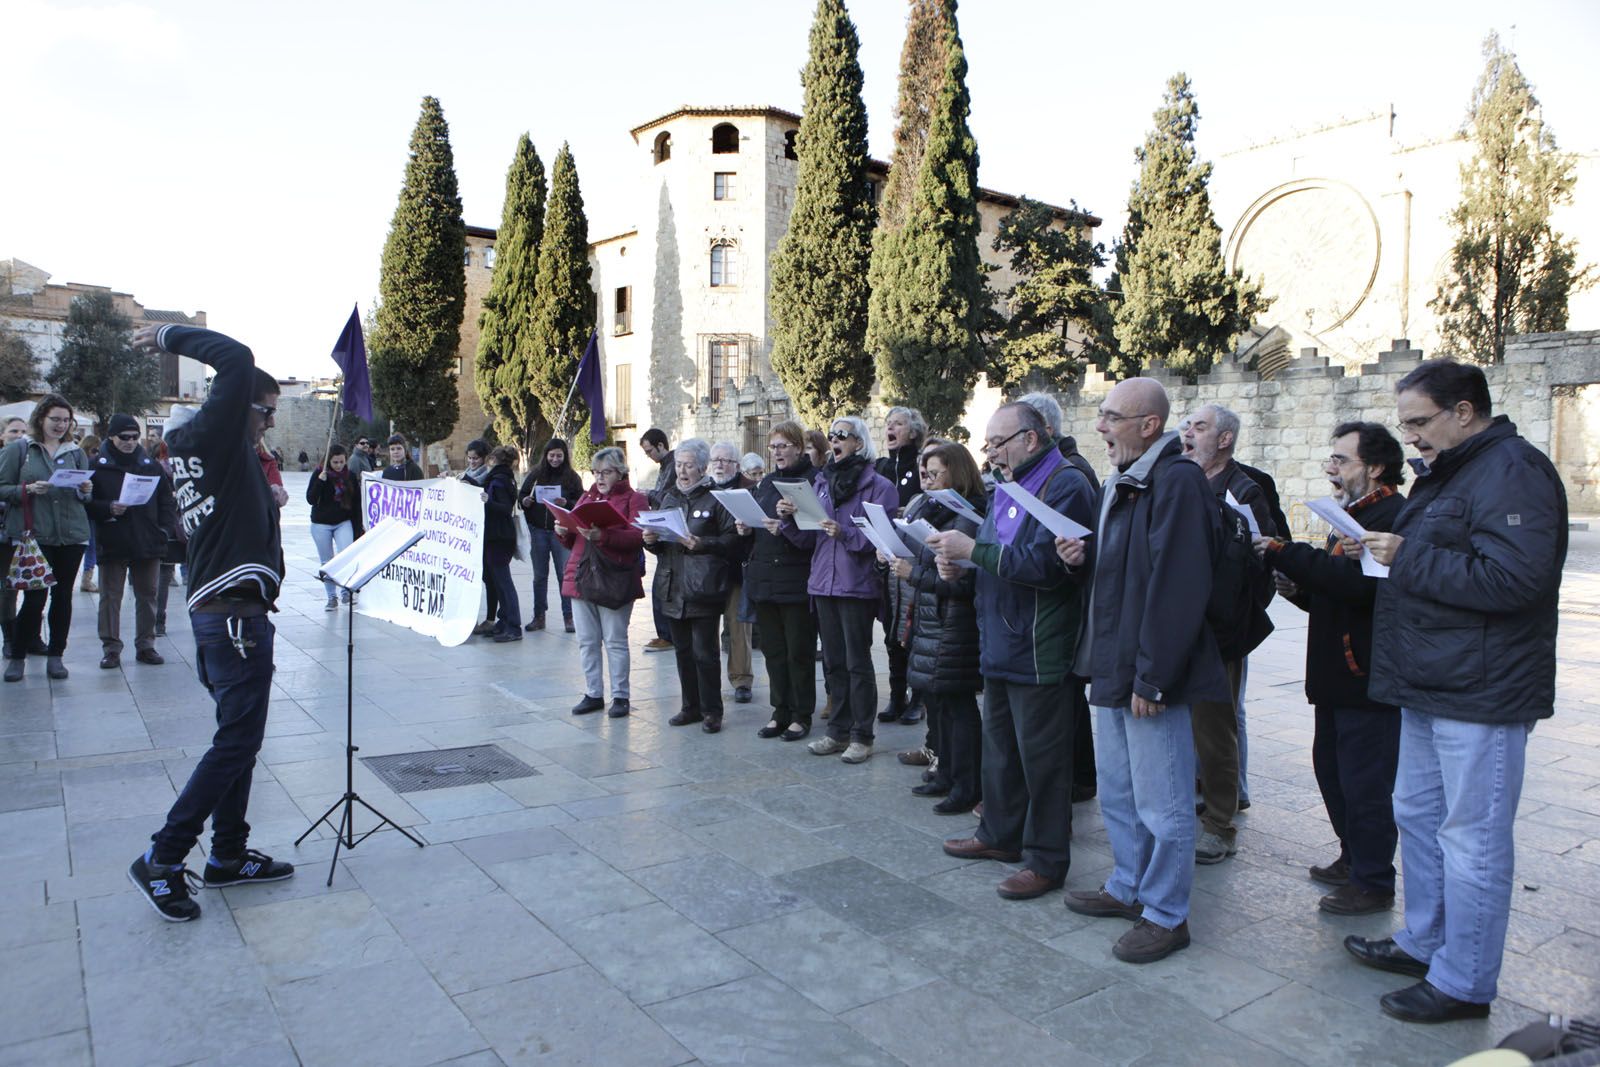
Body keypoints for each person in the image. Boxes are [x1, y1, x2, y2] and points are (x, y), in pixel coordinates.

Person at [1345, 359, 1567, 1024]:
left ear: (1464, 410)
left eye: (1419, 420)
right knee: (1418, 816)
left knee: (1472, 837)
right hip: (1430, 682)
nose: (1408, 435)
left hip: (1481, 690)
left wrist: (1405, 554)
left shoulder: (1513, 469)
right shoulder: (1455, 470)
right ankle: (1425, 940)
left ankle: (1465, 980)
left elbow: (1515, 581)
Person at [126, 323, 293, 922]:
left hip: (225, 615)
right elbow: (237, 356)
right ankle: (164, 857)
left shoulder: (212, 449)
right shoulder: (219, 434)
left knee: (238, 741)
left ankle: (226, 855)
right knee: (236, 743)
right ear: (238, 404)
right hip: (233, 622)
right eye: (265, 412)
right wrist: (170, 335)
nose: (269, 424)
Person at [1058, 378, 1228, 964]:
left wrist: (1153, 677)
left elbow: (1177, 586)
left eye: (1111, 417)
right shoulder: (1121, 482)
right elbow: (1122, 575)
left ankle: (1166, 913)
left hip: (1148, 675)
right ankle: (1128, 885)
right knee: (1122, 791)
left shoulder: (1175, 482)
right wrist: (1083, 561)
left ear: (1149, 425)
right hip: (1112, 664)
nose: (1100, 427)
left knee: (1166, 801)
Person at [932, 402, 1096, 900]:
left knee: (1042, 761)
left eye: (998, 444)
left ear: (1032, 437)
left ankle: (1046, 860)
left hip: (1038, 646)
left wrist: (973, 553)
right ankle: (999, 836)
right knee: (999, 750)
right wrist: (960, 567)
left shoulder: (1065, 484)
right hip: (1000, 640)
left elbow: (1051, 565)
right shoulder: (1010, 484)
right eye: (989, 446)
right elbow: (992, 552)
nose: (992, 454)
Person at [1257, 421, 1406, 916]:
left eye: (1341, 460)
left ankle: (1373, 880)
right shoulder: (1349, 516)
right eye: (1332, 459)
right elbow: (1337, 594)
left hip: (1366, 676)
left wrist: (1283, 550)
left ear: (1375, 467)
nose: (1331, 468)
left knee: (1365, 781)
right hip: (1335, 675)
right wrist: (1300, 591)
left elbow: (1364, 588)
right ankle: (1353, 857)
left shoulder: (1389, 516)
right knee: (1333, 770)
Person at [1180, 403, 1277, 864]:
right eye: (1187, 426)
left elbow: (1264, 558)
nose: (1188, 433)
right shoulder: (1183, 480)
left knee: (1216, 730)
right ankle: (1194, 800)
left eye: (1199, 427)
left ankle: (1220, 822)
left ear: (1224, 439)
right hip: (1181, 625)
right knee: (1185, 727)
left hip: (1220, 631)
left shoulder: (1245, 489)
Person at [782, 415, 896, 763]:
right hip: (823, 583)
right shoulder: (820, 483)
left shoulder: (879, 486)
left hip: (856, 585)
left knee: (857, 662)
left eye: (842, 435)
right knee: (833, 662)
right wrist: (788, 519)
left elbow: (883, 539)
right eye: (831, 435)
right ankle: (837, 730)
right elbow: (807, 539)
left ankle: (863, 734)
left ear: (859, 442)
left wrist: (843, 533)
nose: (834, 440)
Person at [1020, 391, 1100, 806]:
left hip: (1064, 606)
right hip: (1056, 606)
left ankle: (1079, 779)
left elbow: (1067, 553)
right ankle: (1079, 777)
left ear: (1041, 432)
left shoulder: (1071, 474)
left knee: (1068, 700)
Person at [898, 442, 986, 814]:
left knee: (959, 708)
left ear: (958, 472)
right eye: (925, 473)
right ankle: (946, 772)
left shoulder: (967, 515)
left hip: (957, 625)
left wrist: (911, 573)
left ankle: (967, 785)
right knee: (942, 705)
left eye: (935, 473)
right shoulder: (938, 508)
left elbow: (963, 583)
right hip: (936, 620)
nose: (928, 480)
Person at [643, 438, 739, 732]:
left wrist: (702, 543)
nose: (682, 471)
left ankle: (712, 711)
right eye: (679, 465)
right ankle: (690, 706)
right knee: (682, 651)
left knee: (704, 653)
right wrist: (650, 542)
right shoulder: (669, 497)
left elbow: (731, 541)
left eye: (688, 466)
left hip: (703, 586)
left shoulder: (716, 499)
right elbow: (664, 545)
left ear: (702, 468)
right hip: (672, 586)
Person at [1, 395, 94, 681]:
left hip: (71, 534)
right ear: (41, 418)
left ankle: (57, 655)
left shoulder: (75, 451)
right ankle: (18, 656)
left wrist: (85, 489)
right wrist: (26, 490)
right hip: (35, 535)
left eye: (65, 420)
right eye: (55, 419)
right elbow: (2, 488)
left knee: (63, 596)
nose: (60, 425)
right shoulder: (20, 450)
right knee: (34, 598)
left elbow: (84, 497)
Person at [740, 422, 818, 741]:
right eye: (773, 447)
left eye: (784, 446)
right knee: (772, 651)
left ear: (799, 447)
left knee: (798, 651)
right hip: (765, 577)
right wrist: (746, 527)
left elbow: (815, 534)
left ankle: (802, 714)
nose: (777, 453)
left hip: (796, 578)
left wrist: (786, 525)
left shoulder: (813, 480)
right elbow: (760, 523)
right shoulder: (767, 482)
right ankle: (779, 710)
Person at [559, 447, 648, 717]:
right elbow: (574, 538)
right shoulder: (587, 497)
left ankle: (620, 695)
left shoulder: (636, 499)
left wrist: (603, 536)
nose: (599, 478)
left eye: (606, 472)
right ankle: (593, 693)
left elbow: (637, 537)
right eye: (596, 472)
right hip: (582, 574)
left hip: (614, 578)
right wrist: (563, 531)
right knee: (587, 640)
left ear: (620, 473)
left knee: (615, 640)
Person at [85, 414, 176, 668]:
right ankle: (111, 648)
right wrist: (107, 508)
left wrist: (164, 530)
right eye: (124, 437)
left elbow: (166, 500)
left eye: (135, 437)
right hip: (112, 540)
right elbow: (85, 503)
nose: (130, 442)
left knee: (147, 595)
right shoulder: (96, 466)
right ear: (111, 437)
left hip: (147, 540)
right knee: (110, 597)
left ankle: (146, 645)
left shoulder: (150, 464)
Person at [876, 406, 927, 725]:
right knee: (891, 630)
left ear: (913, 431)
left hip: (915, 558)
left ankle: (918, 699)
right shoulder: (880, 466)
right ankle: (896, 696)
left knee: (914, 630)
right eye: (888, 424)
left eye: (897, 424)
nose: (890, 429)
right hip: (886, 557)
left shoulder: (921, 463)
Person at [519, 438, 583, 633]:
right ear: (546, 456)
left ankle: (569, 616)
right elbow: (521, 495)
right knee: (539, 576)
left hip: (561, 530)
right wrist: (526, 501)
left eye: (559, 456)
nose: (555, 459)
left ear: (565, 457)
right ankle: (539, 616)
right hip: (538, 530)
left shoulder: (571, 477)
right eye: (552, 455)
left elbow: (580, 500)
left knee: (564, 574)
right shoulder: (536, 475)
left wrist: (567, 503)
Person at [708, 440, 755, 703]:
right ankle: (709, 678)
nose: (719, 465)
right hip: (706, 570)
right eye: (715, 460)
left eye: (725, 460)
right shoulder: (704, 488)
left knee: (739, 628)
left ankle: (741, 680)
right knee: (706, 628)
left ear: (736, 465)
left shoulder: (749, 488)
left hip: (737, 567)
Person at [305, 444, 363, 612]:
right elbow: (311, 498)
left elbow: (356, 504)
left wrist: (357, 529)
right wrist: (320, 483)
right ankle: (331, 597)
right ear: (328, 461)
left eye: (342, 462)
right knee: (327, 561)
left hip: (342, 521)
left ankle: (346, 591)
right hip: (321, 523)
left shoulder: (350, 476)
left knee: (345, 556)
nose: (338, 465)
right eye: (335, 462)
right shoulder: (319, 473)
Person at [457, 441, 501, 636]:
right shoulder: (467, 474)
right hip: (468, 533)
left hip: (486, 534)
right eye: (470, 458)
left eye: (476, 458)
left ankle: (491, 618)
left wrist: (466, 481)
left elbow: (481, 490)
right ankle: (470, 619)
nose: (472, 462)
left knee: (488, 577)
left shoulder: (488, 476)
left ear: (484, 458)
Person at [481, 445, 524, 642]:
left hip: (498, 537)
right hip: (498, 536)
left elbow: (505, 508)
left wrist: (487, 501)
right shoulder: (504, 478)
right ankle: (504, 621)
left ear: (494, 460)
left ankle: (513, 626)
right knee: (498, 581)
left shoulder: (499, 480)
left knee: (504, 582)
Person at [640, 427, 676, 652]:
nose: (648, 455)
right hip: (663, 528)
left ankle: (667, 636)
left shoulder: (673, 466)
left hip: (670, 529)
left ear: (661, 446)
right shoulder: (665, 466)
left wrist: (648, 494)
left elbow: (669, 496)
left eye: (649, 450)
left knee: (662, 586)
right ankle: (666, 634)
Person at [0, 415, 28, 658]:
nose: (19, 436)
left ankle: (32, 636)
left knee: (34, 584)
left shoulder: (28, 458)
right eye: (13, 432)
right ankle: (9, 637)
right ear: (2, 435)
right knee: (7, 588)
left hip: (27, 532)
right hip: (4, 535)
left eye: (22, 432)